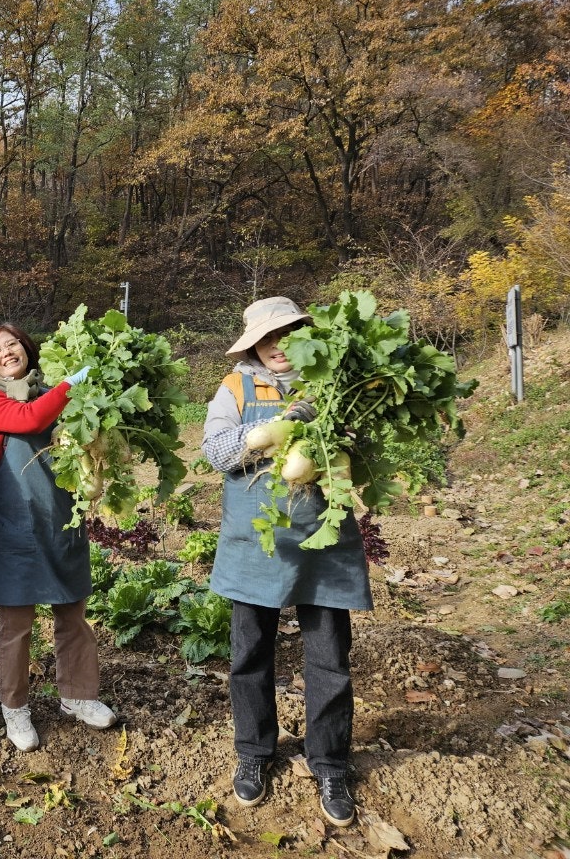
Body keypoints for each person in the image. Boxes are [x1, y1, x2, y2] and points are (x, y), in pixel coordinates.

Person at [202, 297, 373, 828]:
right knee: (250, 655)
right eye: (267, 337)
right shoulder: (234, 388)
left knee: (329, 660)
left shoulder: (336, 386)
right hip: (255, 544)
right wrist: (277, 427)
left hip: (324, 543)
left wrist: (331, 431)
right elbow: (215, 452)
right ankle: (255, 751)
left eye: (289, 333)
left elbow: (364, 450)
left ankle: (329, 762)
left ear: (306, 336)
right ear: (253, 343)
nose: (277, 345)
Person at [0, 323, 117, 753]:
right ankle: (14, 708)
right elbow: (30, 418)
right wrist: (73, 385)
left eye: (12, 343)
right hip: (17, 524)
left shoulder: (55, 392)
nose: (7, 352)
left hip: (61, 517)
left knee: (73, 614)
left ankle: (79, 696)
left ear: (27, 349)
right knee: (15, 625)